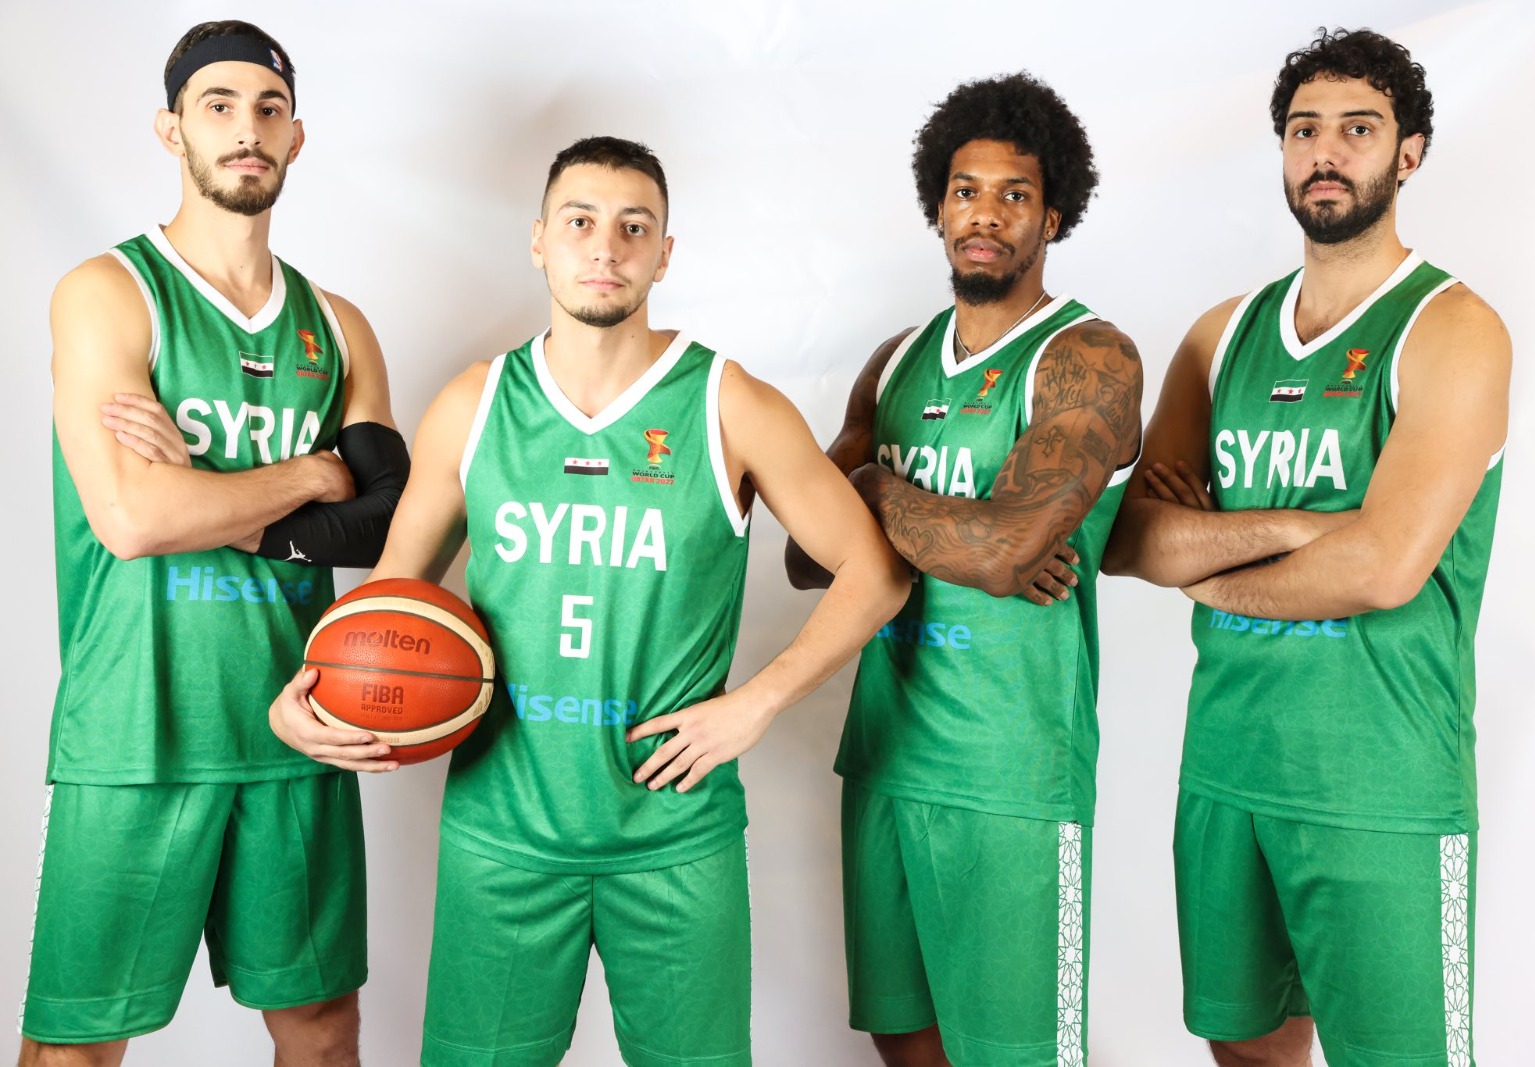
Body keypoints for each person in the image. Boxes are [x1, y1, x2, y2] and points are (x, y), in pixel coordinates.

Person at [269, 135, 909, 1067]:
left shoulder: (728, 403)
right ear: (539, 240)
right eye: (580, 222)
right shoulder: (475, 403)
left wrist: (757, 702)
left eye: (633, 227)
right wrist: (315, 695)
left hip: (674, 831)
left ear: (665, 253)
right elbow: (387, 606)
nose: (605, 247)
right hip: (502, 834)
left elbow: (876, 570)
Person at [1102, 27, 1509, 1067]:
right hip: (1227, 765)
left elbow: (1384, 566)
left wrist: (1212, 569)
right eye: (1303, 130)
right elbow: (1131, 536)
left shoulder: (1452, 327)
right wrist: (1301, 528)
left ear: (1409, 152)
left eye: (1357, 129)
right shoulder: (1221, 334)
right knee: (1244, 1047)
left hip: (1383, 783)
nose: (1325, 152)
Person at [24, 19, 407, 1067]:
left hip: (299, 720)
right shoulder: (109, 291)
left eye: (269, 109)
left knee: (322, 1030)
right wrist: (316, 473)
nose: (248, 128)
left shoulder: (338, 325)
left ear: (295, 138)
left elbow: (387, 518)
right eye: (219, 105)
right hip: (135, 730)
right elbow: (133, 520)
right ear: (172, 129)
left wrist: (200, 488)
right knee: (75, 1047)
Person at [787, 73, 1143, 1066]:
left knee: (1018, 1053)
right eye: (965, 191)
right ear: (938, 207)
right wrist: (967, 532)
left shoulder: (1089, 356)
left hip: (1012, 769)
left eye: (1013, 194)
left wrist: (871, 489)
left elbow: (1005, 550)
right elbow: (807, 556)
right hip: (887, 753)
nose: (985, 214)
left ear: (1053, 215)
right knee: (903, 1034)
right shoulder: (896, 361)